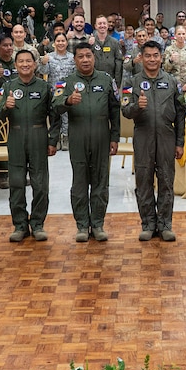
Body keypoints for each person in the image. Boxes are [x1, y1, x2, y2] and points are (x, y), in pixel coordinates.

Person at [53, 43, 119, 242]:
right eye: (80, 56)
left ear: (94, 58)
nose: (85, 60)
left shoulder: (106, 80)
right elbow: (55, 106)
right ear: (75, 60)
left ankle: (97, 224)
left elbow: (115, 111)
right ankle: (82, 225)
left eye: (88, 56)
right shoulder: (66, 82)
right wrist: (67, 101)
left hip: (101, 136)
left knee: (101, 182)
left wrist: (114, 137)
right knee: (80, 184)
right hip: (78, 136)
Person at [122, 40, 184, 241]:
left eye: (155, 55)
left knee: (166, 180)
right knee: (144, 181)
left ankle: (165, 224)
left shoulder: (172, 81)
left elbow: (181, 114)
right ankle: (148, 224)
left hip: (167, 136)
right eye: (147, 55)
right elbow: (125, 110)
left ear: (161, 57)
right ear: (141, 57)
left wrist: (180, 142)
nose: (151, 59)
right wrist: (137, 107)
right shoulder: (131, 82)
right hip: (143, 135)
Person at [0, 49, 56, 243]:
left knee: (40, 184)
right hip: (16, 136)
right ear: (15, 65)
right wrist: (6, 105)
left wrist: (52, 140)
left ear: (35, 64)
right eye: (21, 61)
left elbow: (54, 115)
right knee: (17, 183)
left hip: (38, 136)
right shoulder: (8, 86)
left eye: (28, 61)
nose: (25, 64)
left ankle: (38, 224)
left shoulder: (45, 87)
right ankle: (20, 225)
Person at [90, 15, 124, 89]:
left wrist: (117, 83)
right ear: (95, 26)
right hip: (94, 80)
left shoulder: (114, 42)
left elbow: (119, 62)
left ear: (107, 25)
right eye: (99, 24)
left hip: (110, 80)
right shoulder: (91, 42)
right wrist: (89, 45)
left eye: (104, 23)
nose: (102, 26)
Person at [162, 24, 186, 92]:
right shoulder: (169, 49)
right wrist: (171, 60)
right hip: (172, 84)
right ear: (175, 35)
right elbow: (165, 69)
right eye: (179, 34)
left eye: (183, 34)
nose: (181, 36)